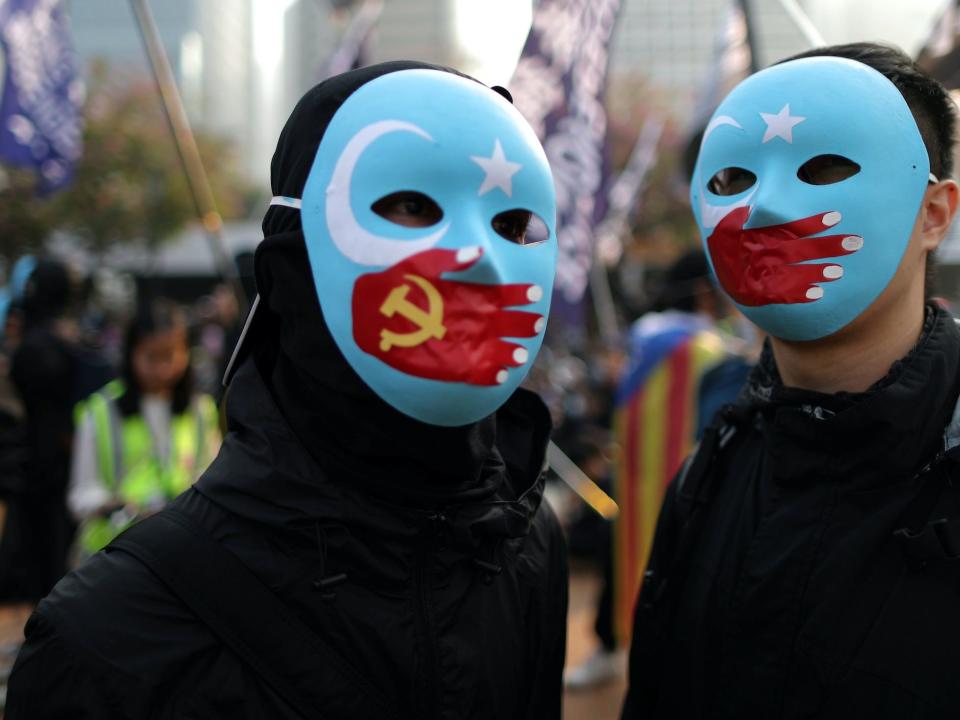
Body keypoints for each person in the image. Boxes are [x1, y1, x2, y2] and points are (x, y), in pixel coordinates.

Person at [7, 61, 568, 718]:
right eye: (412, 207)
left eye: (512, 224)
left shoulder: (527, 546)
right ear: (290, 266)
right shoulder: (107, 635)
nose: (484, 260)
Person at [621, 43, 960, 717]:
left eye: (826, 168)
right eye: (731, 181)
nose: (768, 208)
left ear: (935, 214)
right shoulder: (709, 470)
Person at [565, 249, 752, 690]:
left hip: (635, 484)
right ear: (706, 291)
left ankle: (610, 649)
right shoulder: (711, 345)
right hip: (691, 488)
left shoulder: (645, 336)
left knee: (626, 563)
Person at [68, 299, 220, 556]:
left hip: (179, 550)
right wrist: (116, 505)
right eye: (151, 357)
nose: (162, 369)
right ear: (131, 354)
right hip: (113, 552)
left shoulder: (201, 410)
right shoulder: (100, 411)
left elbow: (211, 478)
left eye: (171, 356)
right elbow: (81, 493)